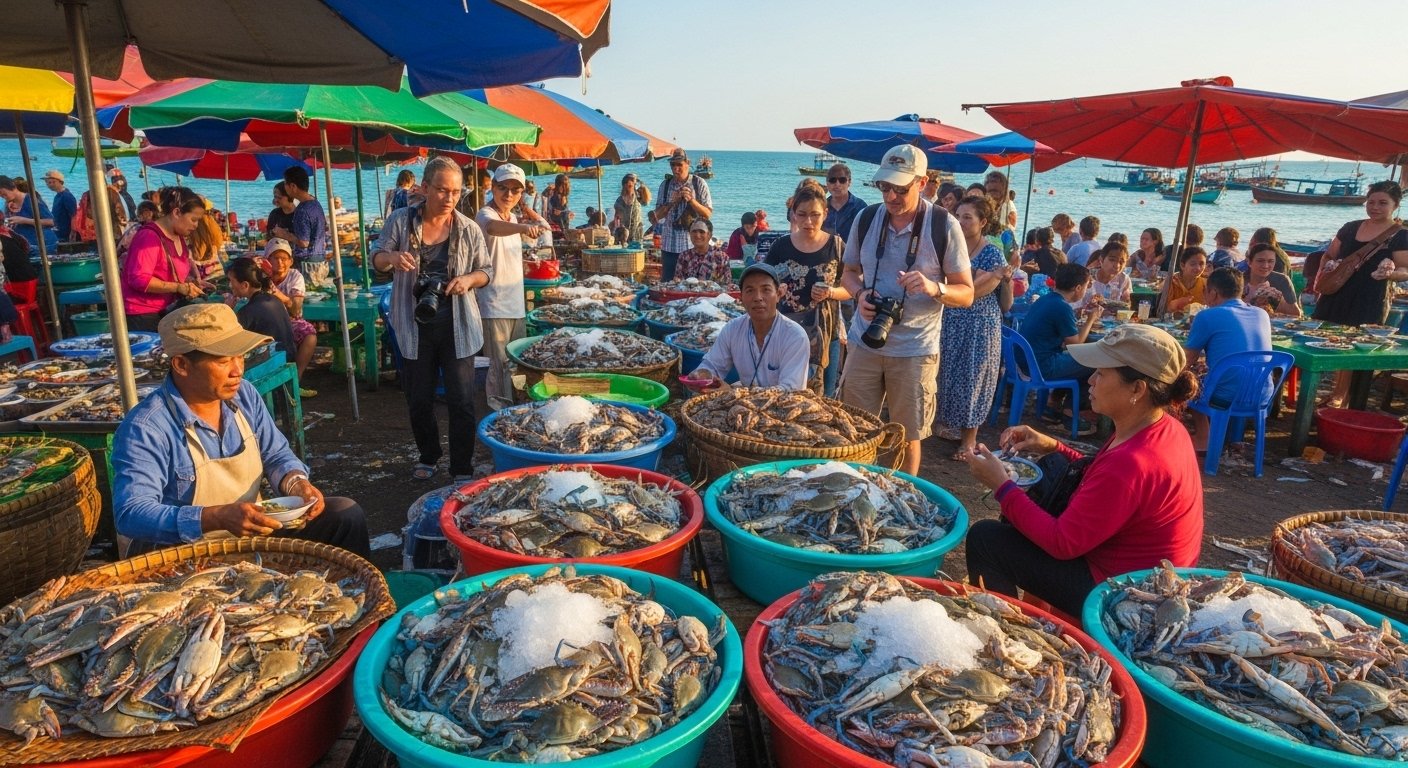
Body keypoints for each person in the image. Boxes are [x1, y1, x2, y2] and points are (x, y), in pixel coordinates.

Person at [963, 324, 1204, 616]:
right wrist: (1052, 446)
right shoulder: (1162, 426)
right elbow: (1100, 478)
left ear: (1137, 389)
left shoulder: (1133, 462)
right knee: (1054, 468)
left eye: (1101, 373)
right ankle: (1034, 603)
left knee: (986, 539)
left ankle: (1009, 627)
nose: (1090, 380)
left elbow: (1062, 543)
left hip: (1123, 595)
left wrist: (1001, 486)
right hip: (1137, 572)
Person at [112, 303, 369, 556]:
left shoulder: (244, 394)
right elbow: (131, 512)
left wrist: (296, 483)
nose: (237, 371)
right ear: (181, 365)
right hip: (183, 553)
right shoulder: (146, 427)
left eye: (241, 357)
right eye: (223, 361)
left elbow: (276, 454)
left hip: (250, 536)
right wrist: (214, 517)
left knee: (345, 516)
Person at [839, 145, 973, 475]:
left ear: (923, 182)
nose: (891, 196)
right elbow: (848, 272)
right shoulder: (866, 217)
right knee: (852, 431)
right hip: (865, 340)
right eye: (885, 187)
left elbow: (966, 292)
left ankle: (899, 495)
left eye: (900, 188)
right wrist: (859, 295)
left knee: (906, 437)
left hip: (915, 349)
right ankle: (855, 491)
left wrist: (934, 288)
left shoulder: (944, 225)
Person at [371, 156, 492, 483]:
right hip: (413, 326)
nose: (449, 198)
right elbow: (377, 258)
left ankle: (462, 467)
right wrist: (392, 258)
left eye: (455, 192)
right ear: (425, 188)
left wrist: (468, 280)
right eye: (442, 190)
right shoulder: (400, 221)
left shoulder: (468, 228)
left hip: (458, 325)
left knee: (462, 401)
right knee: (419, 399)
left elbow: (486, 271)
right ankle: (429, 454)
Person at [938, 195, 1010, 458]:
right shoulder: (950, 247)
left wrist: (997, 277)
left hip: (980, 325)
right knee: (948, 374)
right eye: (958, 215)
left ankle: (969, 441)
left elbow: (975, 292)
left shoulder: (992, 252)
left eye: (967, 217)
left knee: (974, 379)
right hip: (952, 321)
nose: (960, 221)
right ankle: (950, 424)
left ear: (983, 222)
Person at [764, 186, 849, 395]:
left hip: (827, 333)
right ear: (793, 214)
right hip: (786, 331)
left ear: (825, 214)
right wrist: (776, 290)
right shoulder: (780, 246)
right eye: (802, 214)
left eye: (815, 215)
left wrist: (830, 292)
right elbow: (762, 284)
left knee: (825, 396)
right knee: (783, 391)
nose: (808, 221)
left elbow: (852, 288)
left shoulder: (836, 246)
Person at [476, 164, 542, 412]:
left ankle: (513, 405)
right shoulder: (485, 214)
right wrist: (524, 228)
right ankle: (498, 410)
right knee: (498, 363)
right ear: (493, 187)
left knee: (515, 361)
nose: (509, 195)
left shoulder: (512, 217)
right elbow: (493, 229)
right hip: (493, 303)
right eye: (503, 188)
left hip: (515, 302)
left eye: (515, 190)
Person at [1184, 267, 1272, 453]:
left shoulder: (1207, 315)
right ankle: (1223, 436)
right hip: (1261, 393)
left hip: (1225, 396)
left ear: (1213, 293)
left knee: (1188, 380)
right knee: (1221, 374)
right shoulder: (1261, 314)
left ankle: (1203, 437)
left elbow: (1186, 360)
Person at [693, 263, 810, 390]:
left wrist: (734, 393)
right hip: (743, 403)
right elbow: (713, 364)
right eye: (750, 291)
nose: (758, 297)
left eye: (766, 290)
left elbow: (791, 391)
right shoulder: (733, 329)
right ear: (741, 298)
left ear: (778, 294)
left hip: (784, 408)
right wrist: (703, 374)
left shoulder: (795, 336)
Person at [121, 187, 213, 332]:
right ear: (177, 212)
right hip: (143, 314)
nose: (196, 225)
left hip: (167, 309)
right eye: (193, 219)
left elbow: (169, 272)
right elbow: (138, 279)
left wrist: (191, 282)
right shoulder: (149, 237)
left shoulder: (178, 237)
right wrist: (177, 287)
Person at [1021, 263, 1100, 387]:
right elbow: (1075, 345)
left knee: (1085, 355)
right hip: (1041, 366)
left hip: (1024, 361)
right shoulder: (1062, 307)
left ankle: (1057, 399)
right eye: (1086, 287)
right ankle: (1073, 404)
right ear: (1078, 288)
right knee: (1094, 360)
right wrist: (1091, 319)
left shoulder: (1045, 299)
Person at [263, 239, 319, 395]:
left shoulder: (295, 277)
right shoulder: (261, 277)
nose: (280, 262)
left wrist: (278, 294)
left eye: (284, 258)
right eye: (275, 258)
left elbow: (295, 309)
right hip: (266, 321)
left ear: (291, 261)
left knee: (310, 335)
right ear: (268, 260)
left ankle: (295, 380)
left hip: (290, 320)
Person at [225, 256, 298, 363]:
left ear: (245, 285)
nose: (230, 285)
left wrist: (227, 309)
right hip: (287, 357)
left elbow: (228, 339)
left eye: (231, 281)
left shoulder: (248, 311)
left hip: (272, 364)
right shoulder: (274, 299)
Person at [654, 149, 714, 281]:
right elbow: (657, 216)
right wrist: (671, 202)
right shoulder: (665, 186)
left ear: (687, 164)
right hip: (669, 246)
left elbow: (707, 214)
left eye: (679, 165)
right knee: (668, 285)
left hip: (693, 247)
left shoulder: (699, 184)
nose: (676, 169)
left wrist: (692, 200)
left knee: (693, 286)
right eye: (673, 165)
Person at [273, 167, 327, 267]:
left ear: (293, 186)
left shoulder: (302, 210)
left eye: (285, 183)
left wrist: (284, 234)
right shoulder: (315, 203)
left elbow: (304, 242)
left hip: (306, 262)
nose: (284, 187)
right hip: (320, 258)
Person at [0, 176, 57, 254]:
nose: (1, 196)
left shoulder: (31, 200)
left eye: (2, 193)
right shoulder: (9, 204)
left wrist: (24, 220)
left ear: (11, 186)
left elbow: (51, 222)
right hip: (24, 245)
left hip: (42, 245)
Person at [1243, 243, 1301, 317]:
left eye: (1270, 261)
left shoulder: (1281, 280)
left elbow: (1296, 314)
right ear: (1249, 262)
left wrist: (1278, 300)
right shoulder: (1238, 280)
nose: (1265, 266)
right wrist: (1250, 298)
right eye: (1260, 261)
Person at [676, 219, 731, 284]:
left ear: (709, 235)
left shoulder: (721, 257)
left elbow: (727, 284)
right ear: (690, 234)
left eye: (701, 232)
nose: (697, 235)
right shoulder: (684, 256)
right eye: (694, 231)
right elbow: (678, 281)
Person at [823, 162, 866, 239]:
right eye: (832, 180)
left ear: (849, 182)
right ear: (827, 183)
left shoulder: (860, 207)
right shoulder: (821, 207)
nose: (837, 184)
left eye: (842, 180)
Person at [188, 199, 228, 282]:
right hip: (218, 279)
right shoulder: (215, 231)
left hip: (197, 284)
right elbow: (225, 260)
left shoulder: (187, 235)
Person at [1165, 247, 1208, 314]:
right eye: (1193, 264)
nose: (1198, 268)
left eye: (1201, 264)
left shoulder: (1206, 285)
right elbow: (1163, 309)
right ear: (1182, 265)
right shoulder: (1171, 282)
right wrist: (1176, 304)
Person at [42, 170, 77, 243]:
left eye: (53, 182)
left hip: (66, 234)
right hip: (59, 232)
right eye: (48, 182)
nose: (50, 185)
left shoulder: (66, 196)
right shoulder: (58, 196)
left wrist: (73, 232)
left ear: (60, 182)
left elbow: (74, 215)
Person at [611, 174, 644, 245]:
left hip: (637, 232)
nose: (632, 188)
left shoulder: (638, 198)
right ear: (624, 185)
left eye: (634, 185)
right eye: (629, 185)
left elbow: (647, 200)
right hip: (624, 234)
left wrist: (641, 184)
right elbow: (617, 217)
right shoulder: (619, 200)